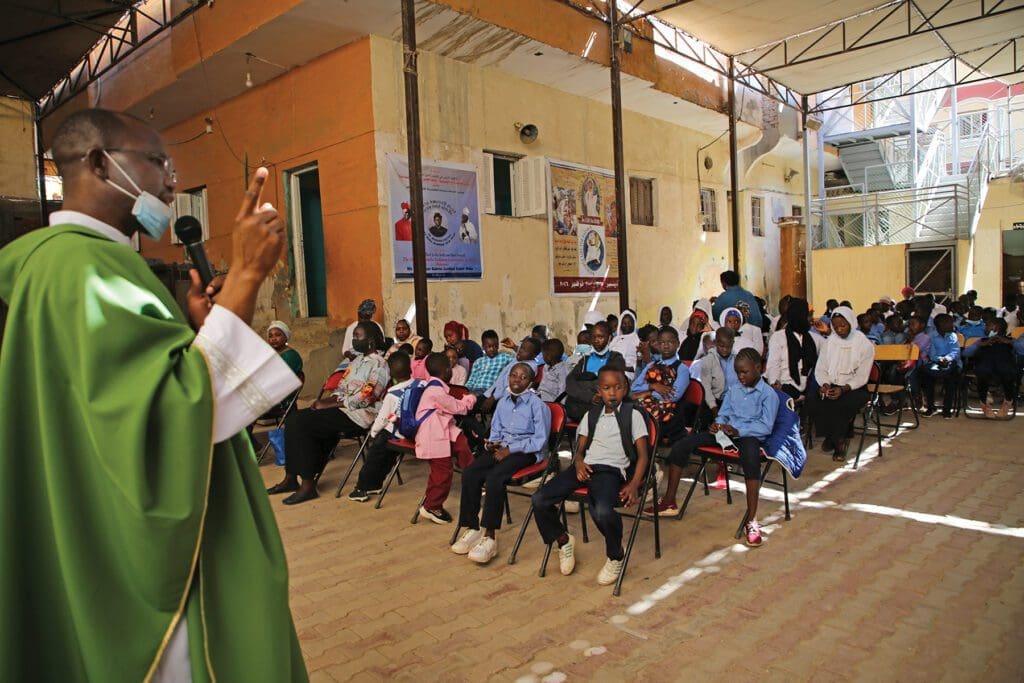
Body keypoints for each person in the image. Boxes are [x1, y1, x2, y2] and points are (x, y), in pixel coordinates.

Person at [0, 109, 306, 680]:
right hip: (142, 553)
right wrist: (245, 275)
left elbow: (135, 387)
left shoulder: (73, 260)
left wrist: (196, 329)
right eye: (159, 162)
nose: (171, 180)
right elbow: (174, 416)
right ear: (98, 163)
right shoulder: (82, 269)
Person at [531, 366, 649, 586]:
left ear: (625, 389)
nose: (612, 393)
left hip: (610, 470)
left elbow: (643, 456)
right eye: (606, 388)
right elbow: (580, 448)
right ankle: (562, 539)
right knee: (539, 499)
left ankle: (616, 555)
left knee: (602, 511)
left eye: (617, 388)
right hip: (585, 467)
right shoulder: (591, 415)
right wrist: (577, 462)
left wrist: (634, 485)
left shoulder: (633, 415)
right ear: (599, 391)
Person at [647, 349, 778, 546]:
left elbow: (766, 426)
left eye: (745, 372)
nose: (740, 377)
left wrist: (737, 430)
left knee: (750, 459)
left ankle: (751, 520)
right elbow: (723, 413)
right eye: (737, 372)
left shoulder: (768, 394)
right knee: (683, 445)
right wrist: (719, 424)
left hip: (748, 436)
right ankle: (669, 501)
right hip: (726, 432)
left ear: (759, 369)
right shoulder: (734, 389)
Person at [269, 320, 388, 504]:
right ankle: (291, 478)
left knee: (302, 424)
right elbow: (341, 387)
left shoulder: (379, 365)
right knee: (294, 420)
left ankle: (308, 485)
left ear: (370, 341)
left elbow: (367, 397)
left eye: (357, 336)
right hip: (341, 410)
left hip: (359, 416)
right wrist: (326, 401)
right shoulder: (356, 361)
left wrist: (332, 404)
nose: (354, 340)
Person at [452, 363, 551, 563]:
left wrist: (510, 450)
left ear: (530, 382)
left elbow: (540, 440)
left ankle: (489, 537)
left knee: (495, 478)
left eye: (523, 377)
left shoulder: (537, 405)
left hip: (526, 451)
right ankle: (473, 527)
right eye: (514, 375)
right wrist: (491, 444)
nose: (517, 379)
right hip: (502, 448)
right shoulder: (503, 402)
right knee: (470, 472)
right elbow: (495, 429)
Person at [806, 307, 875, 461]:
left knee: (841, 403)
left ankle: (838, 442)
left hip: (854, 387)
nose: (839, 329)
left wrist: (843, 389)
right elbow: (821, 368)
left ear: (851, 323)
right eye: (835, 326)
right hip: (832, 384)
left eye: (843, 326)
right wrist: (824, 384)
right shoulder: (830, 342)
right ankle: (833, 436)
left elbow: (862, 376)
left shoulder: (863, 344)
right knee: (815, 400)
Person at [416, 353, 477, 524]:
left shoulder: (435, 387)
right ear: (445, 371)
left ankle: (474, 476)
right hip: (433, 436)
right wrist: (470, 398)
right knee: (442, 472)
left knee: (461, 443)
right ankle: (432, 505)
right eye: (449, 367)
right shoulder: (436, 392)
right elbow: (460, 408)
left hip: (440, 430)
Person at [346, 352, 414, 502]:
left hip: (397, 432)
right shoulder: (420, 384)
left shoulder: (392, 394)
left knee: (375, 455)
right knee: (387, 455)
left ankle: (362, 488)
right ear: (410, 369)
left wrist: (374, 432)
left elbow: (382, 419)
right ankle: (375, 484)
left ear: (391, 374)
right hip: (415, 431)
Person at [564, 321, 626, 422]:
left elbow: (610, 384)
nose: (596, 340)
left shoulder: (615, 359)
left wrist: (583, 383)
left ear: (609, 338)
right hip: (581, 406)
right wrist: (590, 396)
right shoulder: (585, 360)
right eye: (593, 337)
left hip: (602, 406)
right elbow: (570, 383)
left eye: (601, 337)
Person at [630, 326, 690, 426]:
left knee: (640, 418)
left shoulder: (681, 368)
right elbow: (634, 387)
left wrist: (647, 393)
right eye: (662, 343)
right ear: (658, 345)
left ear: (677, 344)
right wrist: (652, 386)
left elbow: (673, 396)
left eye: (670, 342)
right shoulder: (651, 365)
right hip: (646, 404)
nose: (666, 346)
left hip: (668, 412)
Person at [765, 298, 819, 400]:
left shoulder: (813, 338)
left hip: (806, 385)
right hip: (783, 383)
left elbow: (830, 349)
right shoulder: (778, 337)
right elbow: (773, 364)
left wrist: (828, 332)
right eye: (808, 315)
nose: (810, 318)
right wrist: (774, 382)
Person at [964, 318, 1018, 418]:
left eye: (988, 326)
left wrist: (1011, 343)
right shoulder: (982, 340)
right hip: (986, 367)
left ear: (996, 328)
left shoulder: (1010, 340)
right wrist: (980, 345)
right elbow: (966, 353)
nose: (985, 328)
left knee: (1008, 373)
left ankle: (1008, 400)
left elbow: (1022, 350)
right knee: (982, 372)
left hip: (1004, 367)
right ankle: (984, 403)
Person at [479, 338, 542, 412]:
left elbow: (511, 386)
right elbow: (501, 379)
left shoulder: (529, 367)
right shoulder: (519, 359)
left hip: (504, 399)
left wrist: (493, 398)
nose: (520, 351)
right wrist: (514, 347)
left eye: (524, 350)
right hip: (491, 393)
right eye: (521, 347)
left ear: (534, 355)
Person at [921, 313, 961, 419]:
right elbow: (932, 354)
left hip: (952, 362)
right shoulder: (931, 336)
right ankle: (930, 407)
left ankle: (947, 409)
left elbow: (955, 351)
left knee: (951, 378)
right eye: (950, 322)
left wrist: (947, 359)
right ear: (941, 324)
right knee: (927, 377)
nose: (953, 324)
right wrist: (940, 359)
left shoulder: (953, 335)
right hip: (936, 363)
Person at [464, 329, 513, 396]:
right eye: (489, 347)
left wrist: (514, 347)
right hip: (475, 390)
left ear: (498, 346)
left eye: (495, 346)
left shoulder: (504, 357)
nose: (492, 349)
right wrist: (465, 390)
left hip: (491, 391)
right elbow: (472, 380)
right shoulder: (478, 361)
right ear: (483, 347)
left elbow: (521, 359)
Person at [341, 299, 385, 367]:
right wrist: (350, 356)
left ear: (370, 316)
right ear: (358, 314)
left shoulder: (376, 327)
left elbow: (381, 348)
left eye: (366, 318)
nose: (363, 320)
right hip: (353, 359)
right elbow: (345, 349)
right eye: (360, 317)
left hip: (371, 359)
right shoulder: (351, 328)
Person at [608, 308, 640, 378]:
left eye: (629, 322)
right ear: (620, 324)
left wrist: (624, 368)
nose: (627, 325)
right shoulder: (616, 339)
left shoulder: (637, 340)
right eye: (624, 323)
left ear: (634, 323)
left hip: (627, 374)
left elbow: (639, 364)